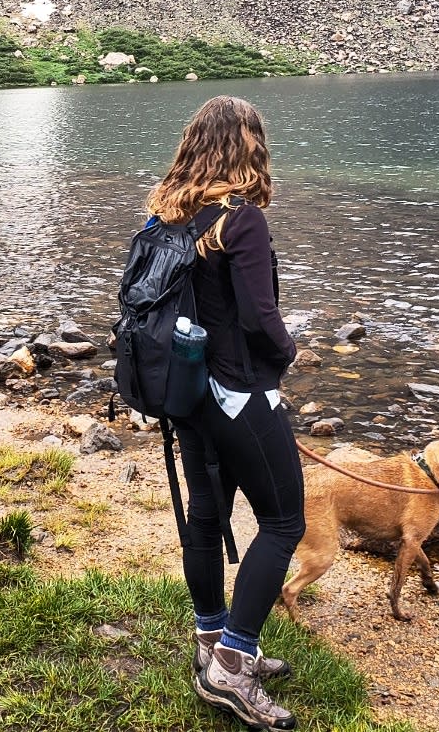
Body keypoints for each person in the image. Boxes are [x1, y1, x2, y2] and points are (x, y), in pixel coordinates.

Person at [146, 95, 305, 731]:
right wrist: (288, 354)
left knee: (208, 513)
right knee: (284, 521)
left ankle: (212, 637)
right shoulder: (240, 220)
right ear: (247, 146)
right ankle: (234, 663)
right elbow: (257, 316)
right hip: (238, 391)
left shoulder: (166, 213)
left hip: (186, 393)